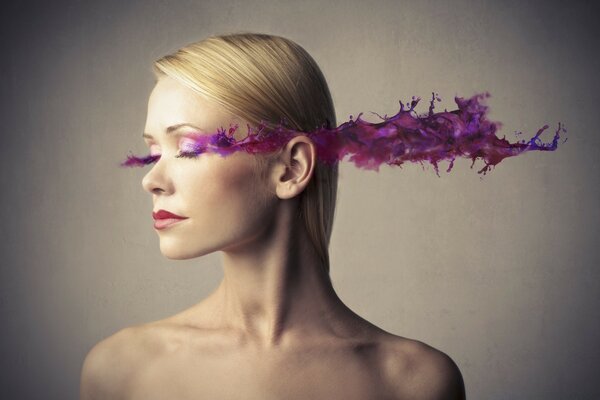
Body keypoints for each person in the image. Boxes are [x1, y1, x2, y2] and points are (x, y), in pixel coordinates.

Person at [79, 32, 466, 400]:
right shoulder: (122, 371)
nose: (151, 180)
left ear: (291, 168)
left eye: (189, 148)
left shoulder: (414, 383)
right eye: (153, 152)